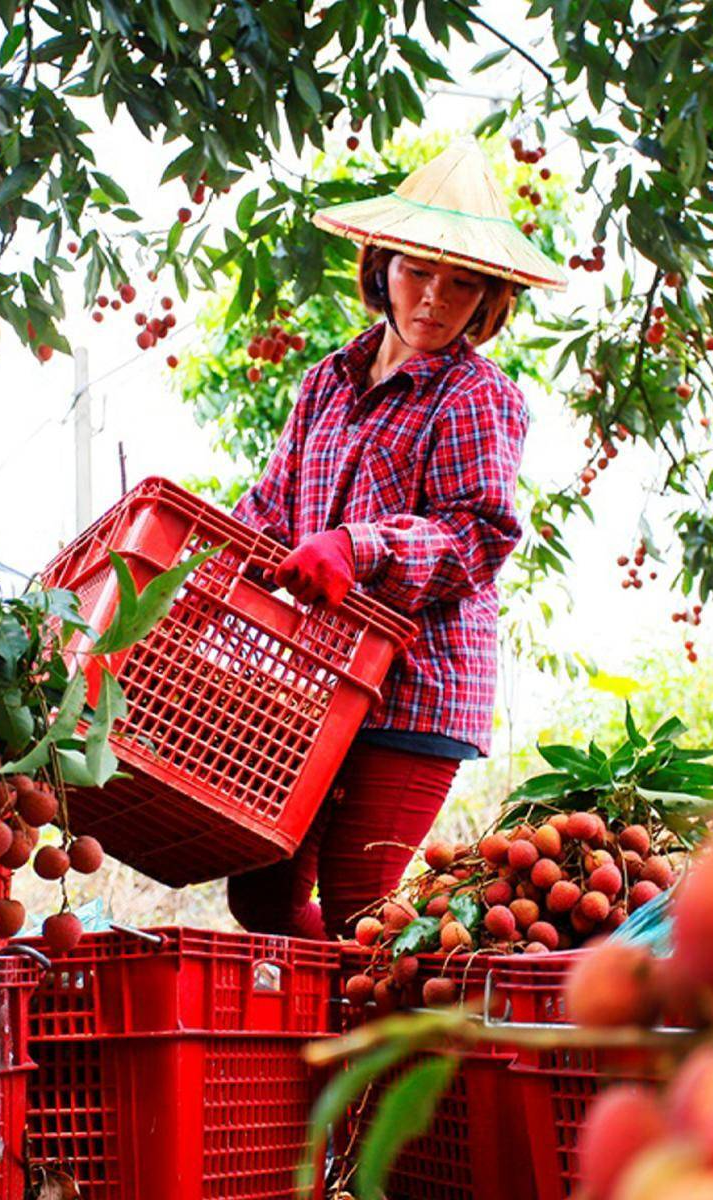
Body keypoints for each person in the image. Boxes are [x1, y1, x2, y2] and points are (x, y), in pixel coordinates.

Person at [225, 135, 566, 940]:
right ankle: (322, 1031)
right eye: (418, 272)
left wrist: (359, 547)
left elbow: (475, 537)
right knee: (261, 895)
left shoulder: (480, 396)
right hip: (320, 676)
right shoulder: (325, 381)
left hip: (418, 681)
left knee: (358, 905)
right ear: (381, 267)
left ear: (489, 298)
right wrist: (211, 556)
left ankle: (391, 1049)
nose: (433, 300)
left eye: (462, 284)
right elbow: (273, 504)